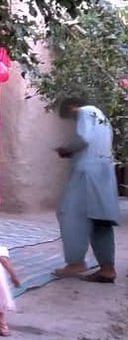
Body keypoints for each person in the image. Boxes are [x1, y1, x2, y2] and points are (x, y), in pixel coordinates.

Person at [52, 97, 120, 283]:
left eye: (70, 116)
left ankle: (75, 262)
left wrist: (66, 149)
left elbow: (83, 138)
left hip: (87, 173)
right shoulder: (102, 118)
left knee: (69, 214)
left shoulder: (85, 111)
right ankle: (107, 269)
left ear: (72, 106)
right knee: (99, 220)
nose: (73, 120)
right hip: (104, 173)